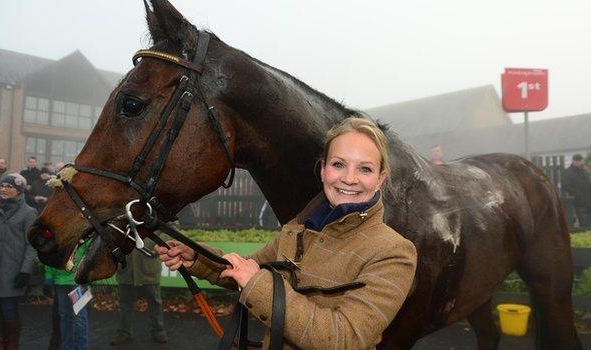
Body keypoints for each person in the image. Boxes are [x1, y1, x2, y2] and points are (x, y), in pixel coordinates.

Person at [157, 117, 417, 349]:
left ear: (381, 178)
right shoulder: (299, 229)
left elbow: (344, 338)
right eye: (339, 164)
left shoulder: (394, 252)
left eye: (365, 169)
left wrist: (256, 284)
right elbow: (248, 269)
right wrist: (197, 258)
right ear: (323, 170)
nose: (349, 178)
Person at [0, 173, 38, 349]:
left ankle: (11, 346)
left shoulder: (29, 212)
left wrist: (25, 271)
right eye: (2, 185)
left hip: (11, 272)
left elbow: (31, 245)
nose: (3, 189)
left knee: (9, 311)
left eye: (9, 186)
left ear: (18, 191)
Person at [111, 237, 168, 345]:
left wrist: (155, 245)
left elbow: (169, 227)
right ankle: (124, 331)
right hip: (126, 270)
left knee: (155, 303)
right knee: (125, 303)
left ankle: (158, 330)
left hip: (148, 268)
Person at [44, 241, 90, 350]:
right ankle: (67, 347)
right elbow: (49, 253)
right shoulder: (57, 232)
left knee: (79, 318)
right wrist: (49, 275)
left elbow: (90, 253)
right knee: (66, 317)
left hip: (77, 282)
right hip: (60, 281)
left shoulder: (83, 230)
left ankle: (82, 348)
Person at [563, 154, 591, 229]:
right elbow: (567, 186)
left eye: (579, 161)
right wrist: (577, 194)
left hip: (590, 201)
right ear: (573, 161)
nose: (578, 162)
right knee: (584, 223)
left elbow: (589, 184)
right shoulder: (568, 172)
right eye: (576, 160)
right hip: (579, 202)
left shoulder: (584, 171)